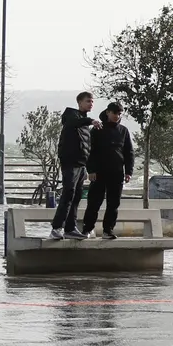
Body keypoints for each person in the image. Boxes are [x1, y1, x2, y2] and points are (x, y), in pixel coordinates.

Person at [51, 91, 100, 240]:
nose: (90, 104)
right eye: (87, 101)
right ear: (79, 102)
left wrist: (88, 167)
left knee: (76, 196)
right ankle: (56, 227)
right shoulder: (71, 116)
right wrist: (91, 121)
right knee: (68, 193)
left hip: (81, 165)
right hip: (70, 163)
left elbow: (87, 146)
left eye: (92, 102)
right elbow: (74, 122)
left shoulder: (85, 123)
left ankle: (70, 228)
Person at [83, 101, 135, 239]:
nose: (117, 116)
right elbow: (90, 151)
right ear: (108, 112)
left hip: (117, 172)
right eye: (114, 113)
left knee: (113, 204)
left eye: (119, 114)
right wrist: (91, 170)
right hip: (99, 172)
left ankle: (108, 230)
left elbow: (129, 152)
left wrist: (129, 171)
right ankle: (87, 229)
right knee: (94, 202)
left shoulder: (123, 131)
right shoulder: (97, 129)